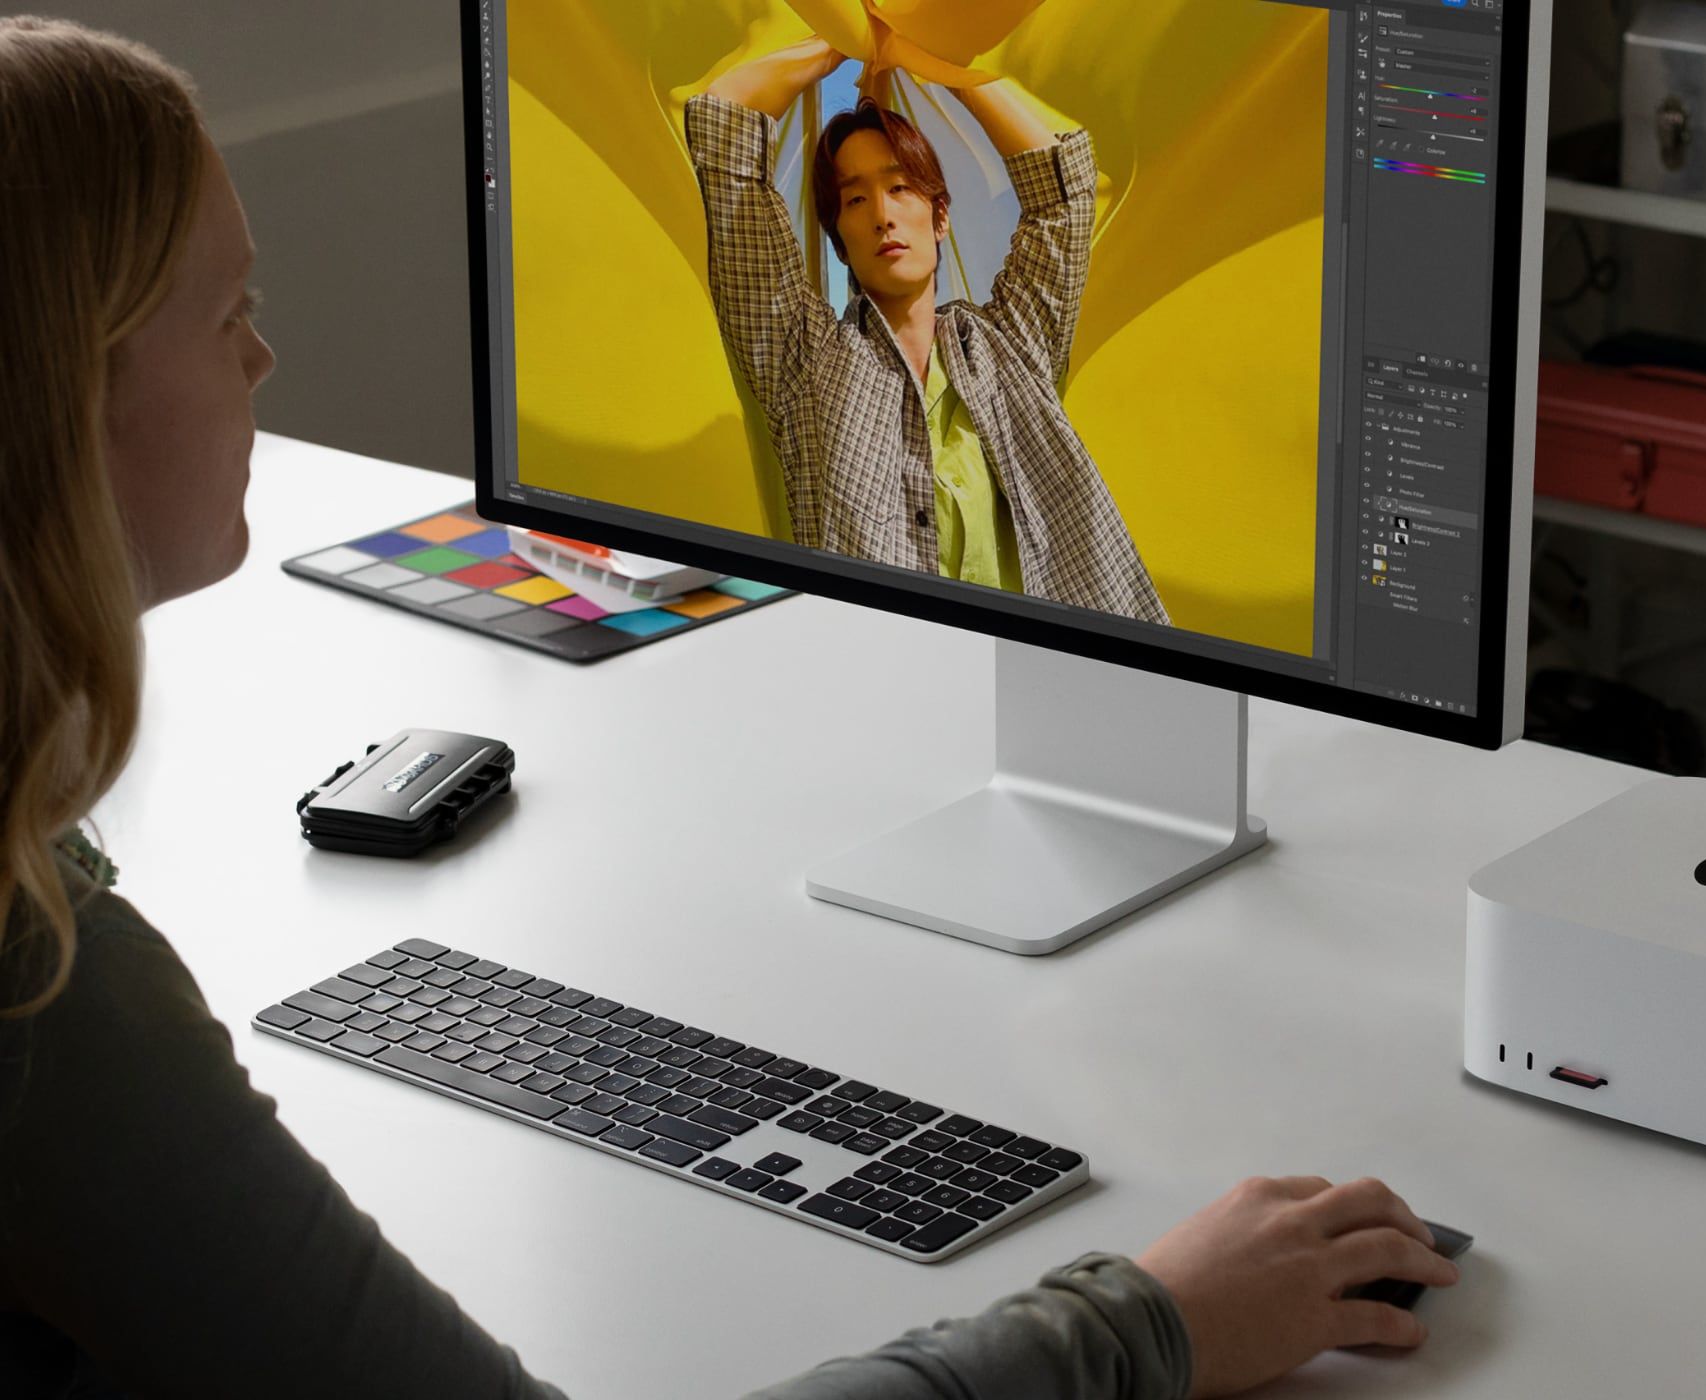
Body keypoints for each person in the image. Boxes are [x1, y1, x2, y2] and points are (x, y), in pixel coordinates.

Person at [0, 17, 1457, 1399]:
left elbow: (1063, 190)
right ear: (62, 394)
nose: (263, 359)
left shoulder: (1014, 343)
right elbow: (726, 137)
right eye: (230, 315)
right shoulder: (39, 986)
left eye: (912, 187)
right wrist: (1150, 1322)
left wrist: (943, 72)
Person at [689, 38, 1171, 626]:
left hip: (1067, 673)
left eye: (900, 187)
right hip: (891, 683)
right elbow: (727, 125)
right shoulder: (804, 361)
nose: (882, 215)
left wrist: (940, 59)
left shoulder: (1014, 343)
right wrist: (843, 40)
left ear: (939, 216)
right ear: (840, 240)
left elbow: (1063, 197)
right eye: (855, 198)